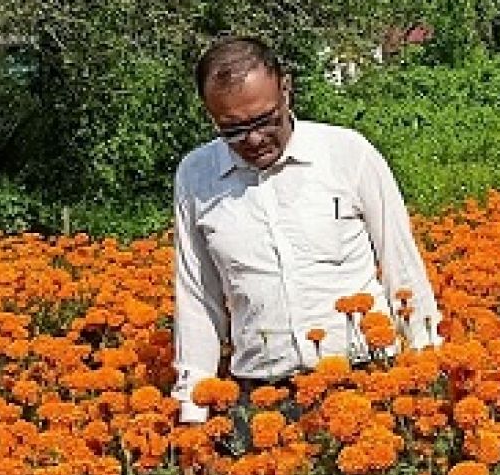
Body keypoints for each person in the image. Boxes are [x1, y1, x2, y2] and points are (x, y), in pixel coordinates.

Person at [171, 35, 441, 432]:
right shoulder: (196, 176)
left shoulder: (348, 154)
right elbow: (197, 299)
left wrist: (425, 369)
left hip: (365, 379)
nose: (253, 139)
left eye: (264, 119)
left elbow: (402, 265)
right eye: (232, 130)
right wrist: (193, 414)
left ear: (285, 88)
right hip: (264, 398)